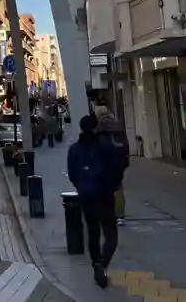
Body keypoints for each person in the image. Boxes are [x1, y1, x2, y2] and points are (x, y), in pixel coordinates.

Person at [68, 115, 124, 289]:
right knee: (111, 234)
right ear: (95, 127)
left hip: (86, 196)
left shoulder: (74, 149)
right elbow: (117, 168)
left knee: (93, 232)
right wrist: (112, 187)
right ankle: (102, 263)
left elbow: (72, 174)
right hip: (104, 195)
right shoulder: (105, 146)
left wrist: (82, 187)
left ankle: (96, 265)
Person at [96, 107, 130, 225]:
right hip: (119, 162)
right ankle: (120, 215)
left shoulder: (101, 126)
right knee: (118, 188)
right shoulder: (117, 125)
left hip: (106, 162)